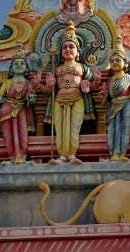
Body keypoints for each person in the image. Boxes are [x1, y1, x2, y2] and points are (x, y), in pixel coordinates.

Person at [46, 21, 96, 164]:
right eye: (65, 47)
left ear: (77, 52)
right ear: (61, 52)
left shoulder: (82, 67)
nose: (68, 49)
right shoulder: (57, 68)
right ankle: (62, 155)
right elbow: (49, 90)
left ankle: (72, 154)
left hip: (77, 98)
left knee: (74, 128)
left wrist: (92, 81)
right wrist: (48, 85)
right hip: (59, 99)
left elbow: (92, 84)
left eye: (71, 47)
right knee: (60, 129)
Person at [0, 44, 36, 165]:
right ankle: (12, 156)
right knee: (8, 134)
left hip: (22, 108)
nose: (19, 65)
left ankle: (22, 156)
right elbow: (0, 97)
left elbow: (32, 99)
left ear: (26, 68)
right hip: (7, 109)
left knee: (22, 132)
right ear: (11, 68)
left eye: (22, 63)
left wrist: (31, 98)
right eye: (16, 64)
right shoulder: (7, 82)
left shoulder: (29, 83)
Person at [104, 39, 130, 162]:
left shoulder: (129, 78)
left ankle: (122, 153)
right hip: (113, 106)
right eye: (112, 61)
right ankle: (113, 153)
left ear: (126, 64)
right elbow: (108, 96)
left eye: (118, 60)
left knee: (125, 128)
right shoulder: (110, 80)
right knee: (112, 129)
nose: (115, 63)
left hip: (127, 104)